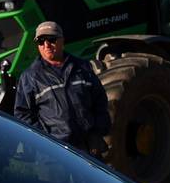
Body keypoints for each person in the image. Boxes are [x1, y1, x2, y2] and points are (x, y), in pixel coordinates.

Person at [13, 22, 111, 155]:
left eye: (51, 39)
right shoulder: (30, 77)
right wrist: (45, 141)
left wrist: (96, 132)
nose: (46, 44)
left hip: (89, 150)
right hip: (53, 155)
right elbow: (23, 115)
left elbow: (100, 101)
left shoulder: (83, 67)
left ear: (62, 40)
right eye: (41, 41)